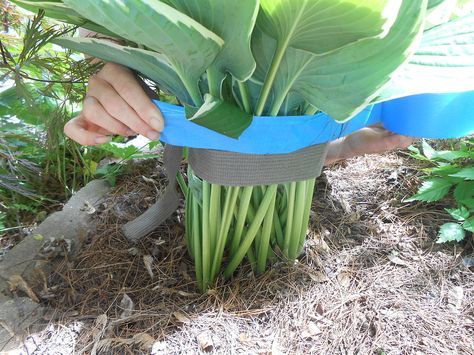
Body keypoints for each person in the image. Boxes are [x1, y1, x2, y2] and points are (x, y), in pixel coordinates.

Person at [64, 61, 414, 164]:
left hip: (306, 166)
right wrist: (111, 72)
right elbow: (108, 46)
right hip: (210, 169)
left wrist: (343, 146)